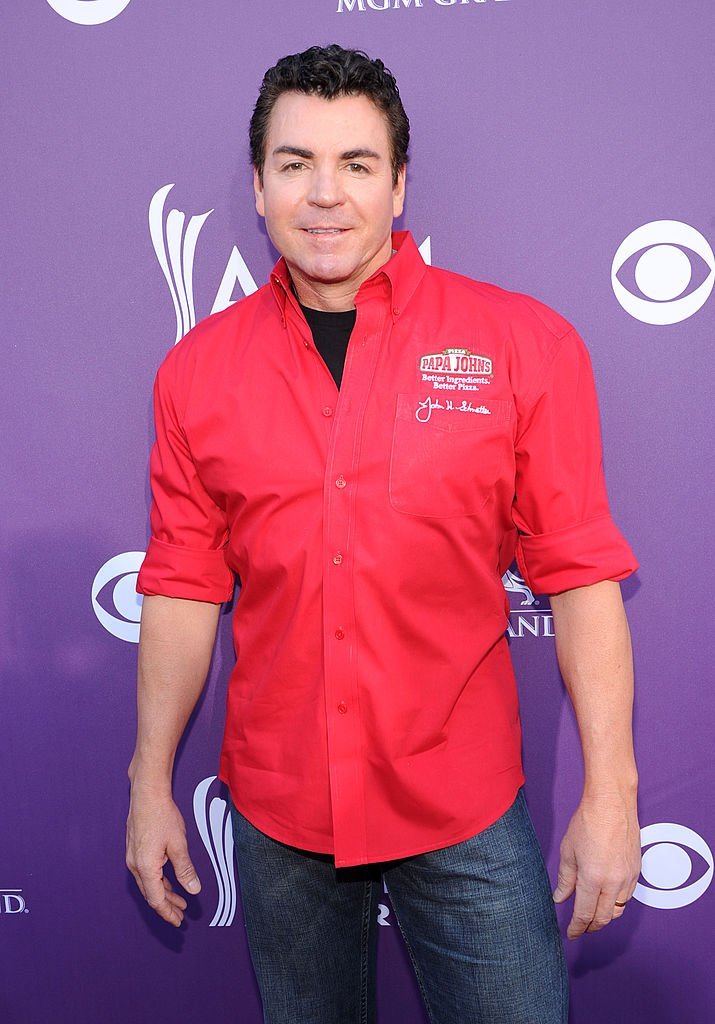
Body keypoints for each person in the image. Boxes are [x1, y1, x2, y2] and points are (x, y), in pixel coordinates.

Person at [126, 44, 641, 1024]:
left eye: (356, 164)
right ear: (258, 184)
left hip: (461, 798)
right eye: (295, 163)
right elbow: (183, 586)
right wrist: (150, 782)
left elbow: (580, 577)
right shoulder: (196, 372)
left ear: (399, 186)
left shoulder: (523, 345)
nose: (325, 195)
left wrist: (610, 795)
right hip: (279, 814)